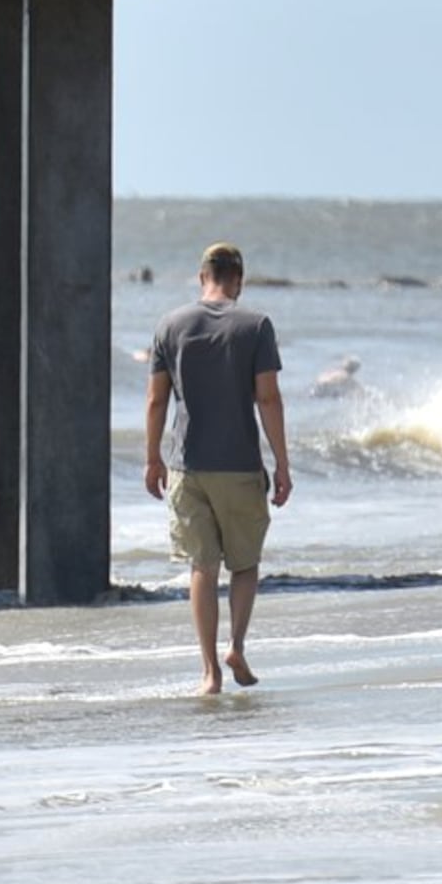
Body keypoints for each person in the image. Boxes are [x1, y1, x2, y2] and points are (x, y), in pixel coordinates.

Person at [142, 243, 291, 695]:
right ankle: (237, 645)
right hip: (241, 466)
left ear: (201, 275)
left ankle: (209, 672)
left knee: (202, 567)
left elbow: (156, 400)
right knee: (244, 565)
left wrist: (152, 458)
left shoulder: (169, 325)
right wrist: (282, 464)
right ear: (238, 279)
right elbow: (267, 398)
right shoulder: (257, 326)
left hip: (189, 467)